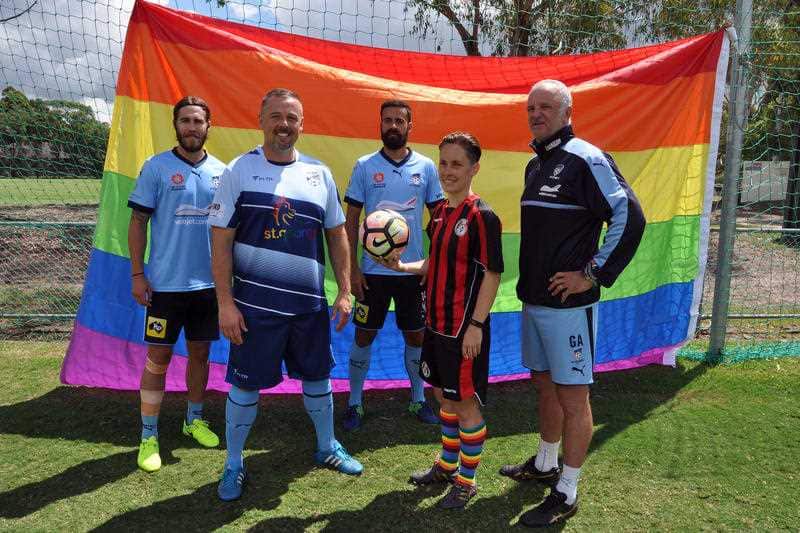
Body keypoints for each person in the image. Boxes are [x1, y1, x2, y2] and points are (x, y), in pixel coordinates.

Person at [501, 79, 646, 527]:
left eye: (545, 107)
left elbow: (630, 215)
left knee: (573, 397)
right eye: (531, 108)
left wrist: (592, 274)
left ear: (567, 112)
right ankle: (546, 463)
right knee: (544, 385)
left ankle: (567, 489)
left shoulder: (587, 157)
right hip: (534, 300)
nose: (536, 114)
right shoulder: (534, 164)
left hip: (568, 308)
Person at [209, 88, 363, 502]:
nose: (284, 124)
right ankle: (234, 463)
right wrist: (225, 302)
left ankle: (327, 446)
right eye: (276, 116)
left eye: (292, 117)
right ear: (261, 120)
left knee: (318, 378)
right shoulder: (239, 170)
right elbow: (220, 240)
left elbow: (337, 235)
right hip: (254, 309)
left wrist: (345, 291)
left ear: (302, 124)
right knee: (245, 388)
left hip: (308, 308)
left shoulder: (319, 173)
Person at [383, 132, 503, 510]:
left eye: (457, 164)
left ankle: (467, 481)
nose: (448, 171)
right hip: (434, 326)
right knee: (440, 395)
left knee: (464, 403)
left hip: (462, 330)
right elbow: (436, 264)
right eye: (444, 162)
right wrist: (403, 266)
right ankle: (448, 464)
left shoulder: (482, 216)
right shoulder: (440, 214)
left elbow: (492, 274)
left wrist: (476, 325)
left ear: (474, 168)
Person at [127, 96, 226, 473]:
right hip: (165, 288)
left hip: (207, 288)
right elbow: (137, 223)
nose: (191, 127)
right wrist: (138, 274)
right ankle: (149, 434)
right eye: (185, 121)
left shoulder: (221, 171)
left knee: (200, 355)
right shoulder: (156, 167)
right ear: (176, 125)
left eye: (198, 121)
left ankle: (193, 419)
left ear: (208, 126)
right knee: (159, 359)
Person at [341, 99, 444, 431]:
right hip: (372, 275)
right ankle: (354, 403)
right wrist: (354, 270)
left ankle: (417, 399)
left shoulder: (426, 167)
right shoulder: (365, 166)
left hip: (411, 272)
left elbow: (438, 218)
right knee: (364, 335)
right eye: (388, 120)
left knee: (416, 336)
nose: (393, 126)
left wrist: (433, 262)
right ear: (380, 124)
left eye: (400, 120)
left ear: (409, 126)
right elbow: (351, 218)